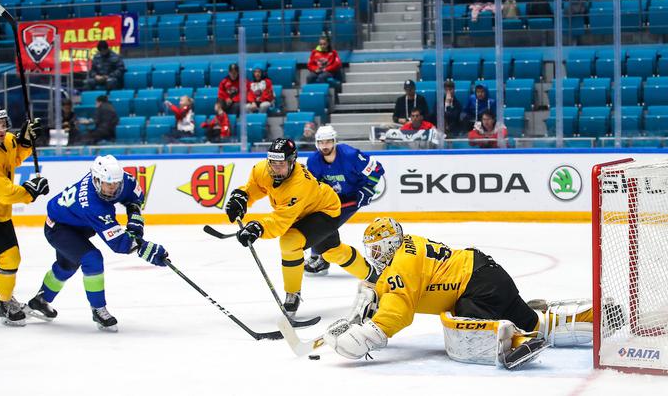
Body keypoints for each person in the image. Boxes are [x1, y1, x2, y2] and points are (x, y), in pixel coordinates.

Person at [322, 218, 609, 367]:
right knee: (537, 323)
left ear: (388, 245)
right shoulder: (409, 244)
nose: (373, 256)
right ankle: (595, 315)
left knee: (462, 331)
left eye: (376, 250)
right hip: (491, 277)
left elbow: (398, 311)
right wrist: (372, 297)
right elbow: (394, 288)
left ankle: (515, 340)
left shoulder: (402, 264)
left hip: (477, 289)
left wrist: (364, 336)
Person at [224, 138, 377, 315]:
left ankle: (292, 296)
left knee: (290, 242)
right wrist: (242, 196)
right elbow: (256, 186)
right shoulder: (261, 169)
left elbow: (280, 223)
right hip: (301, 212)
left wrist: (257, 227)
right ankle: (372, 274)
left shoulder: (298, 184)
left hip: (324, 211)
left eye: (281, 164)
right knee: (332, 251)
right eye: (272, 163)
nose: (275, 168)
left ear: (292, 162)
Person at [26, 155, 168, 332]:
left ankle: (40, 300)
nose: (113, 188)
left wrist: (135, 229)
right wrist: (146, 249)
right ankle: (98, 309)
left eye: (116, 184)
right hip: (59, 228)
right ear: (96, 180)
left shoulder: (124, 179)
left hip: (79, 224)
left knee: (66, 266)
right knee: (92, 259)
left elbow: (135, 200)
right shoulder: (92, 204)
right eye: (109, 184)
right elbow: (119, 244)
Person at [0, 105, 50, 326]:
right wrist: (30, 192)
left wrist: (27, 143)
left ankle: (3, 296)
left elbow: (14, 158)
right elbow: (4, 193)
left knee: (12, 259)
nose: (1, 129)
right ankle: (4, 302)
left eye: (3, 124)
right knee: (10, 257)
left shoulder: (8, 139)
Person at [304, 125, 385, 275]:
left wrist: (367, 190)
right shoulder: (314, 161)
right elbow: (314, 183)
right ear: (317, 143)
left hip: (353, 196)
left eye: (328, 142)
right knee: (317, 220)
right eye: (321, 142)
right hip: (331, 198)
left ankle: (320, 258)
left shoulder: (350, 155)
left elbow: (377, 170)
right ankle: (320, 255)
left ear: (334, 141)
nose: (325, 146)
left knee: (325, 224)